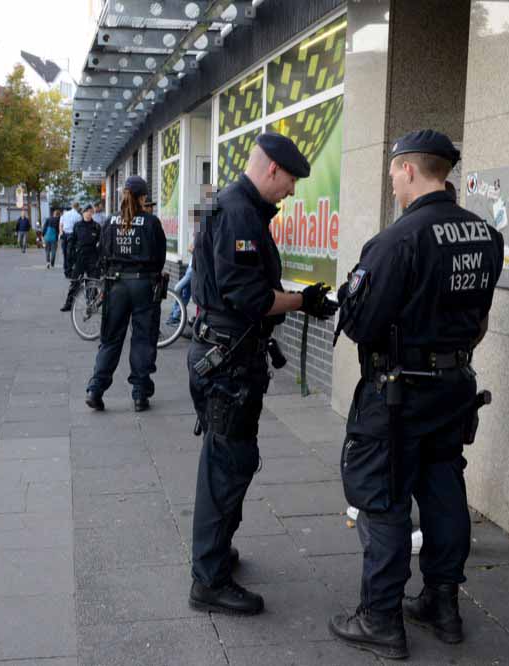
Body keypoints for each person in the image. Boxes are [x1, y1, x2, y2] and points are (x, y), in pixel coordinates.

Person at [328, 130, 504, 661]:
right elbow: (479, 317)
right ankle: (442, 605)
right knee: (443, 486)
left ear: (408, 169)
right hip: (453, 386)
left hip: (398, 393)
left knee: (383, 497)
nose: (390, 180)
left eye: (392, 171)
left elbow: (359, 322)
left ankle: (381, 619)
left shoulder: (398, 240)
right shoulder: (485, 236)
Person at [186, 132, 339, 616]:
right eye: (291, 180)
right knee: (226, 466)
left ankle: (216, 552)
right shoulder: (238, 213)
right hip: (228, 362)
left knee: (232, 460)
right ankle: (208, 580)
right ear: (272, 168)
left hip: (226, 356)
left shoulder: (232, 205)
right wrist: (302, 301)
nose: (291, 191)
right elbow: (247, 296)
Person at [85, 176, 167, 412]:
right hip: (143, 286)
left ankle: (95, 389)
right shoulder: (151, 222)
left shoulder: (110, 222)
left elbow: (102, 253)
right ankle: (140, 394)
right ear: (142, 198)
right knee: (143, 339)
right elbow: (160, 257)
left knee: (110, 339)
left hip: (116, 285)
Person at [60, 204, 100, 312]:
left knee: (92, 282)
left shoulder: (96, 226)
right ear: (83, 213)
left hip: (92, 257)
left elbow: (101, 243)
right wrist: (71, 257)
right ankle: (68, 304)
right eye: (87, 212)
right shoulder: (77, 225)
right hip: (80, 257)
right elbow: (72, 242)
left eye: (91, 212)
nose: (88, 214)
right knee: (75, 282)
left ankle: (91, 304)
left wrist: (100, 258)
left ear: (92, 213)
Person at [59, 202, 82, 278]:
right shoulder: (78, 216)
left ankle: (66, 269)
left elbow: (61, 224)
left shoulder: (65, 214)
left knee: (65, 253)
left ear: (72, 206)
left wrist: (61, 232)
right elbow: (79, 227)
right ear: (78, 207)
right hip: (72, 235)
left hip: (64, 234)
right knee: (70, 253)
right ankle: (69, 270)